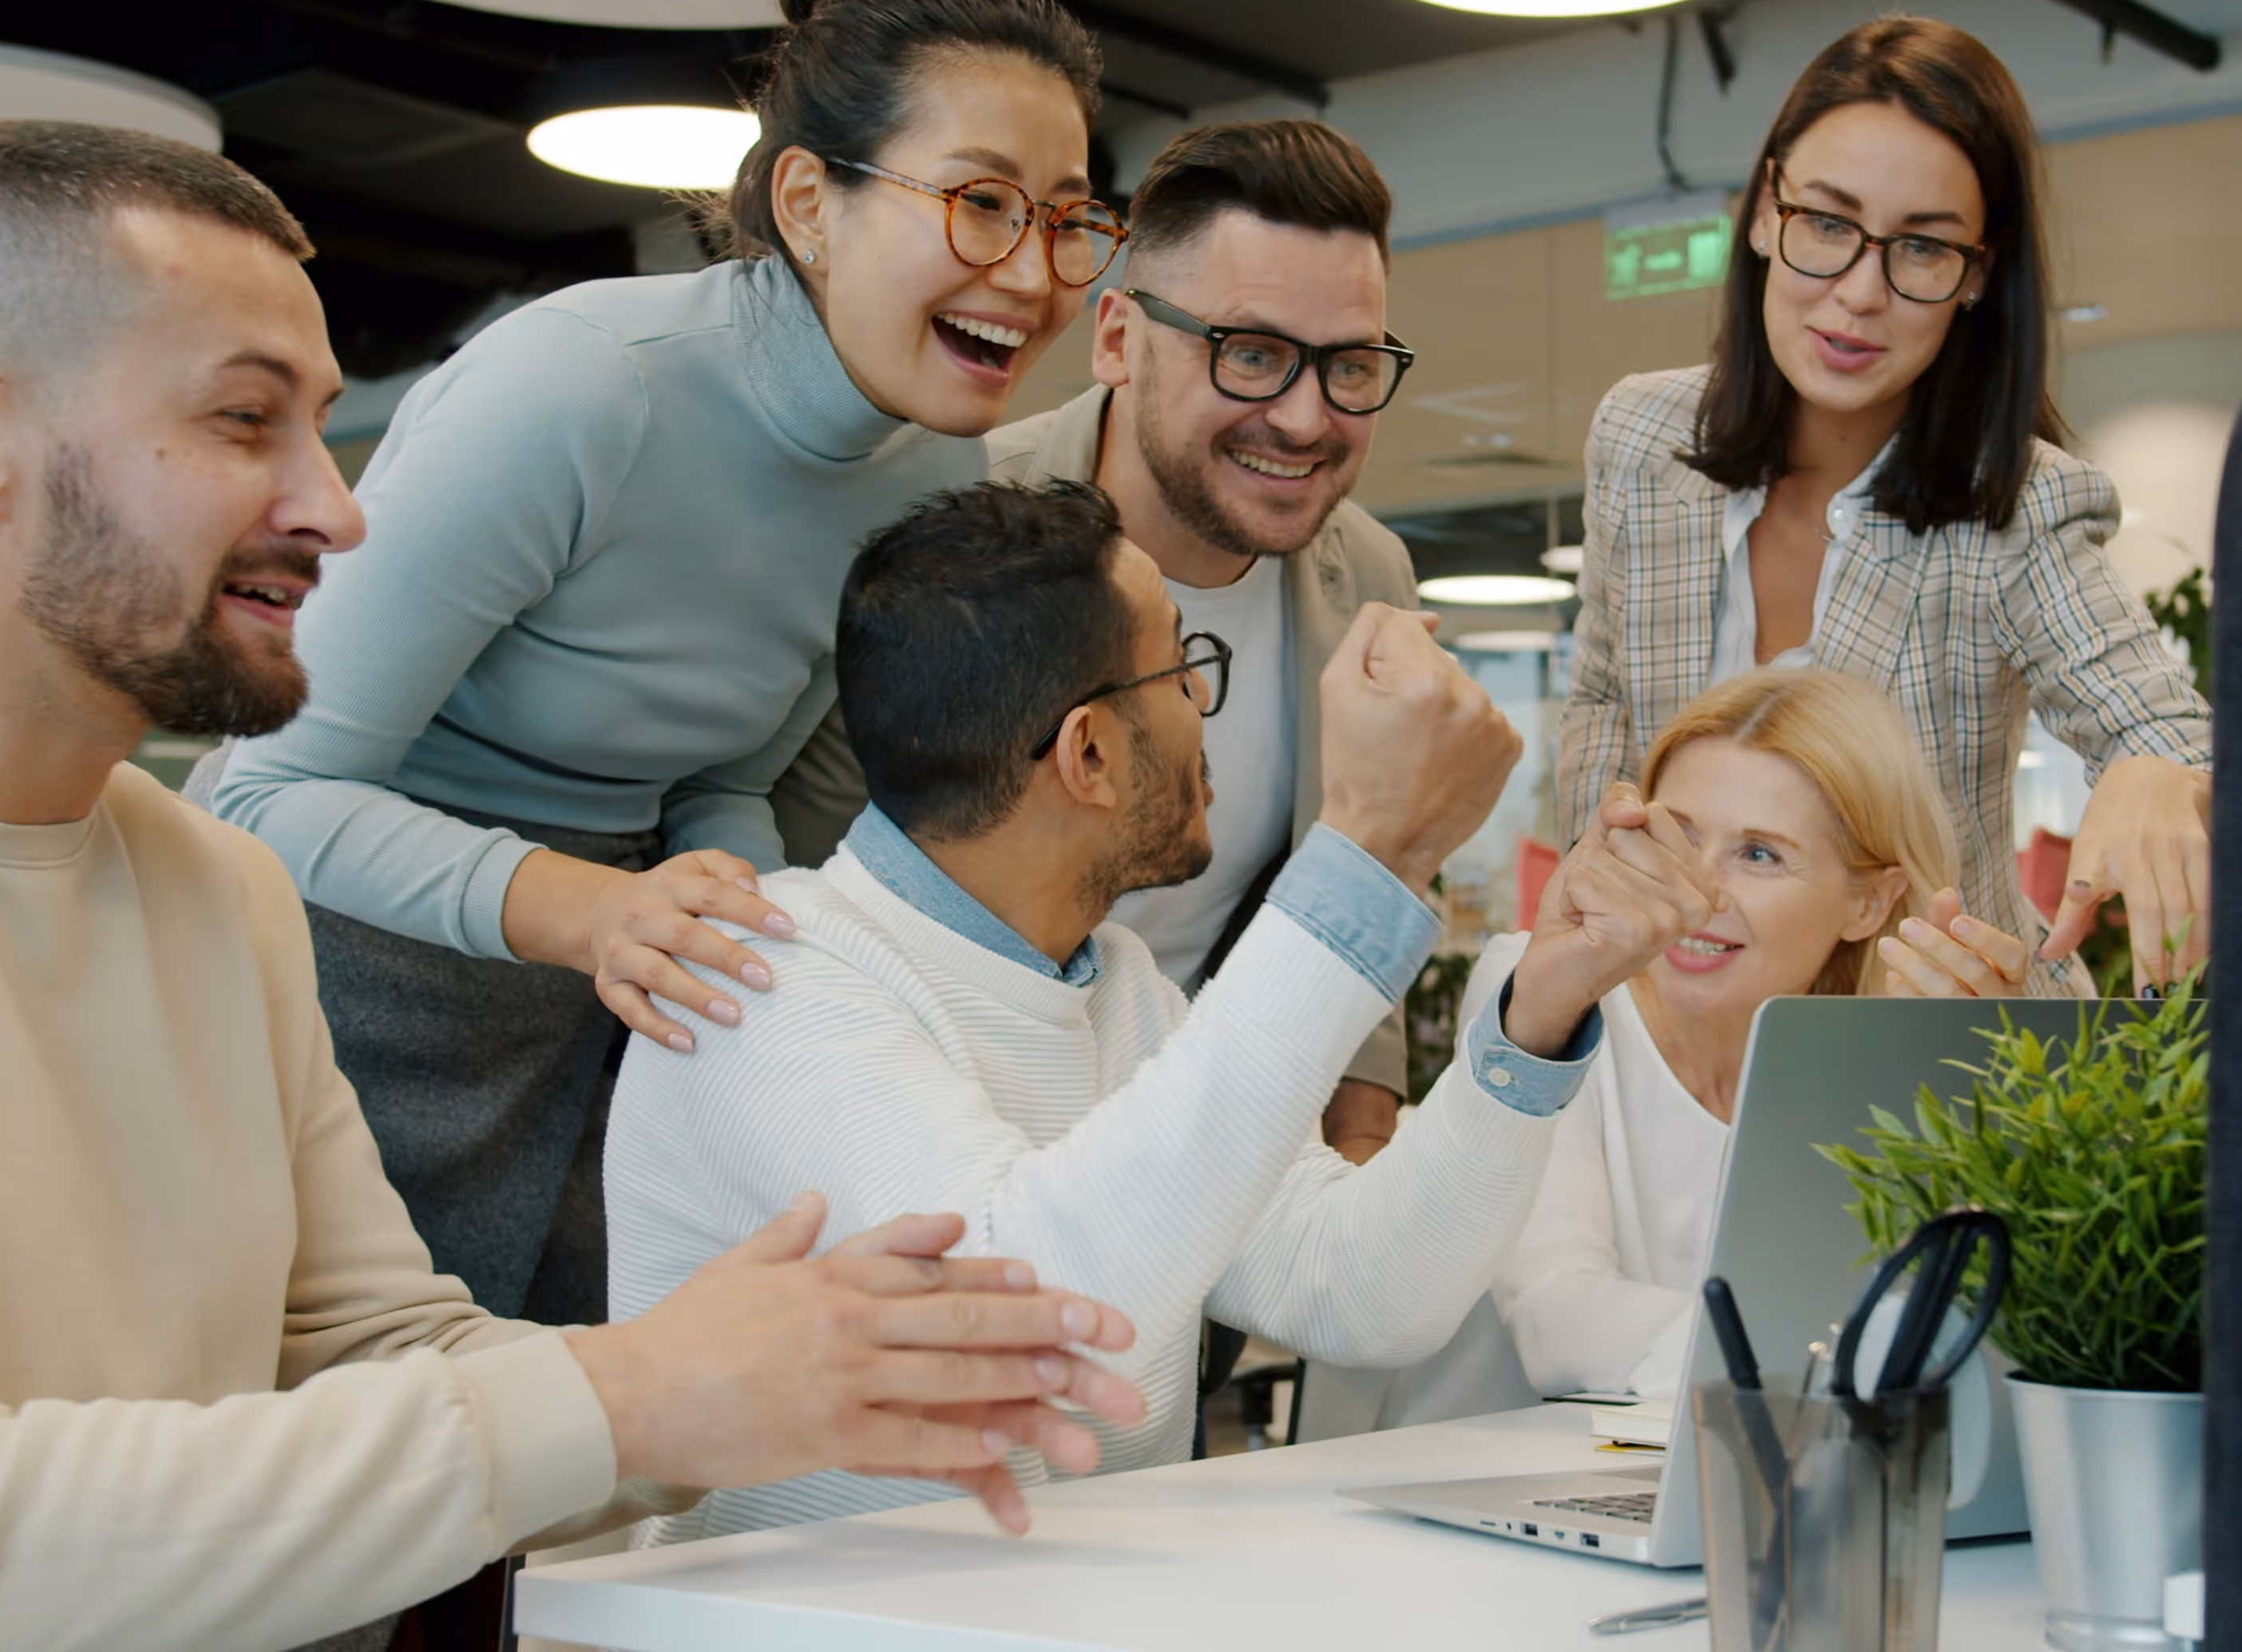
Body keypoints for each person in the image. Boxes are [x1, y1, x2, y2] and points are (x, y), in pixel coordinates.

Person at [0, 121, 1144, 1652]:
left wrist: (774, 1381)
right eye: (242, 421)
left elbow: (377, 1347)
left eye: (320, 431)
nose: (335, 510)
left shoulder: (214, 884)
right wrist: (638, 1397)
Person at [206, 0, 1120, 1324]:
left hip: (615, 1004)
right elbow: (262, 793)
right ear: (811, 202)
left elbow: (724, 780)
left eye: (1066, 218)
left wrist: (768, 928)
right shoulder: (584, 390)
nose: (1036, 271)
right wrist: (598, 909)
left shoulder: (935, 474)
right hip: (354, 1000)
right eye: (984, 203)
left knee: (580, 1490)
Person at [605, 478, 1718, 1539]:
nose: (1203, 709)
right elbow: (1028, 1303)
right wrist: (1365, 856)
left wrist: (1536, 1013)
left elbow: (1363, 1289)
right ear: (1088, 752)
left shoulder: (1121, 984)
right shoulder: (765, 978)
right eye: (1184, 670)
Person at [770, 116, 1423, 1163]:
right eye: (1250, 354)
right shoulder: (949, 517)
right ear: (1117, 337)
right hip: (912, 1140)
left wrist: (1360, 1117)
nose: (1305, 418)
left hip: (1202, 1159)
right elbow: (799, 850)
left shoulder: (1370, 578)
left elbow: (1352, 859)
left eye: (1349, 367)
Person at [1559, 14, 2213, 996]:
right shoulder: (1642, 441)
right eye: (1827, 223)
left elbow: (2169, 735)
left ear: (1978, 276)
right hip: (1674, 1034)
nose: (1861, 293)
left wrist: (2158, 773)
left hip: (1936, 1069)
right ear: (1764, 213)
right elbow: (1606, 696)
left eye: (1922, 248)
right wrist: (1609, 885)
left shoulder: (2014, 509)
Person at [1486, 668, 2033, 1399]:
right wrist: (1831, 1367)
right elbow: (1558, 1320)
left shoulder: (1869, 1062)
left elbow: (1977, 1319)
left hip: (1748, 1492)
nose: (1697, 892)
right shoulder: (1542, 987)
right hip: (1479, 1484)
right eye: (1676, 837)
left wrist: (1989, 1098)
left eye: (1759, 855)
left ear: (1870, 904)